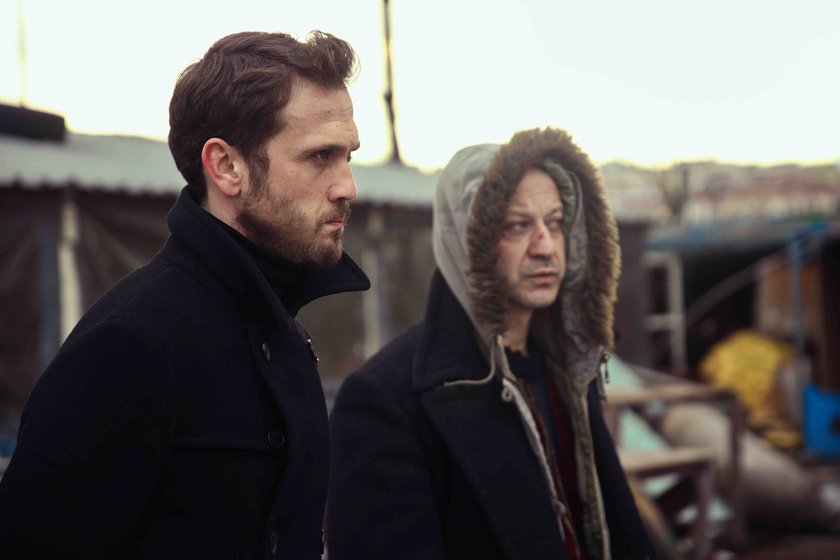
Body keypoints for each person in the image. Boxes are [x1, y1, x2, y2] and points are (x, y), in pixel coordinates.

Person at [0, 30, 368, 559]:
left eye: (348, 155)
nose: (347, 186)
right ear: (226, 167)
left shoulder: (287, 335)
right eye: (319, 157)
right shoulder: (129, 347)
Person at [327, 127, 654, 559]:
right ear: (468, 240)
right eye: (518, 225)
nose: (545, 247)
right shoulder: (386, 401)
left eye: (555, 223)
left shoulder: (570, 369)